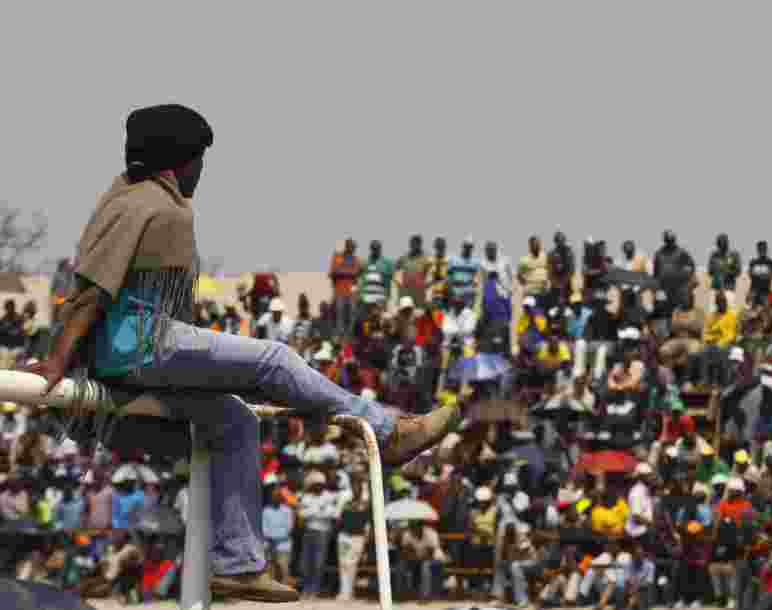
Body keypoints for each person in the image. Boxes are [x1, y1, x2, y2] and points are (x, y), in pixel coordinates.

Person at [26, 104, 462, 602]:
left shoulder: (142, 199)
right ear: (179, 161)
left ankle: (237, 564)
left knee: (235, 421)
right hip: (139, 345)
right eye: (199, 160)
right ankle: (389, 431)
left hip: (142, 346)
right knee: (273, 359)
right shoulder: (138, 203)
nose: (201, 172)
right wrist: (60, 359)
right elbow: (91, 286)